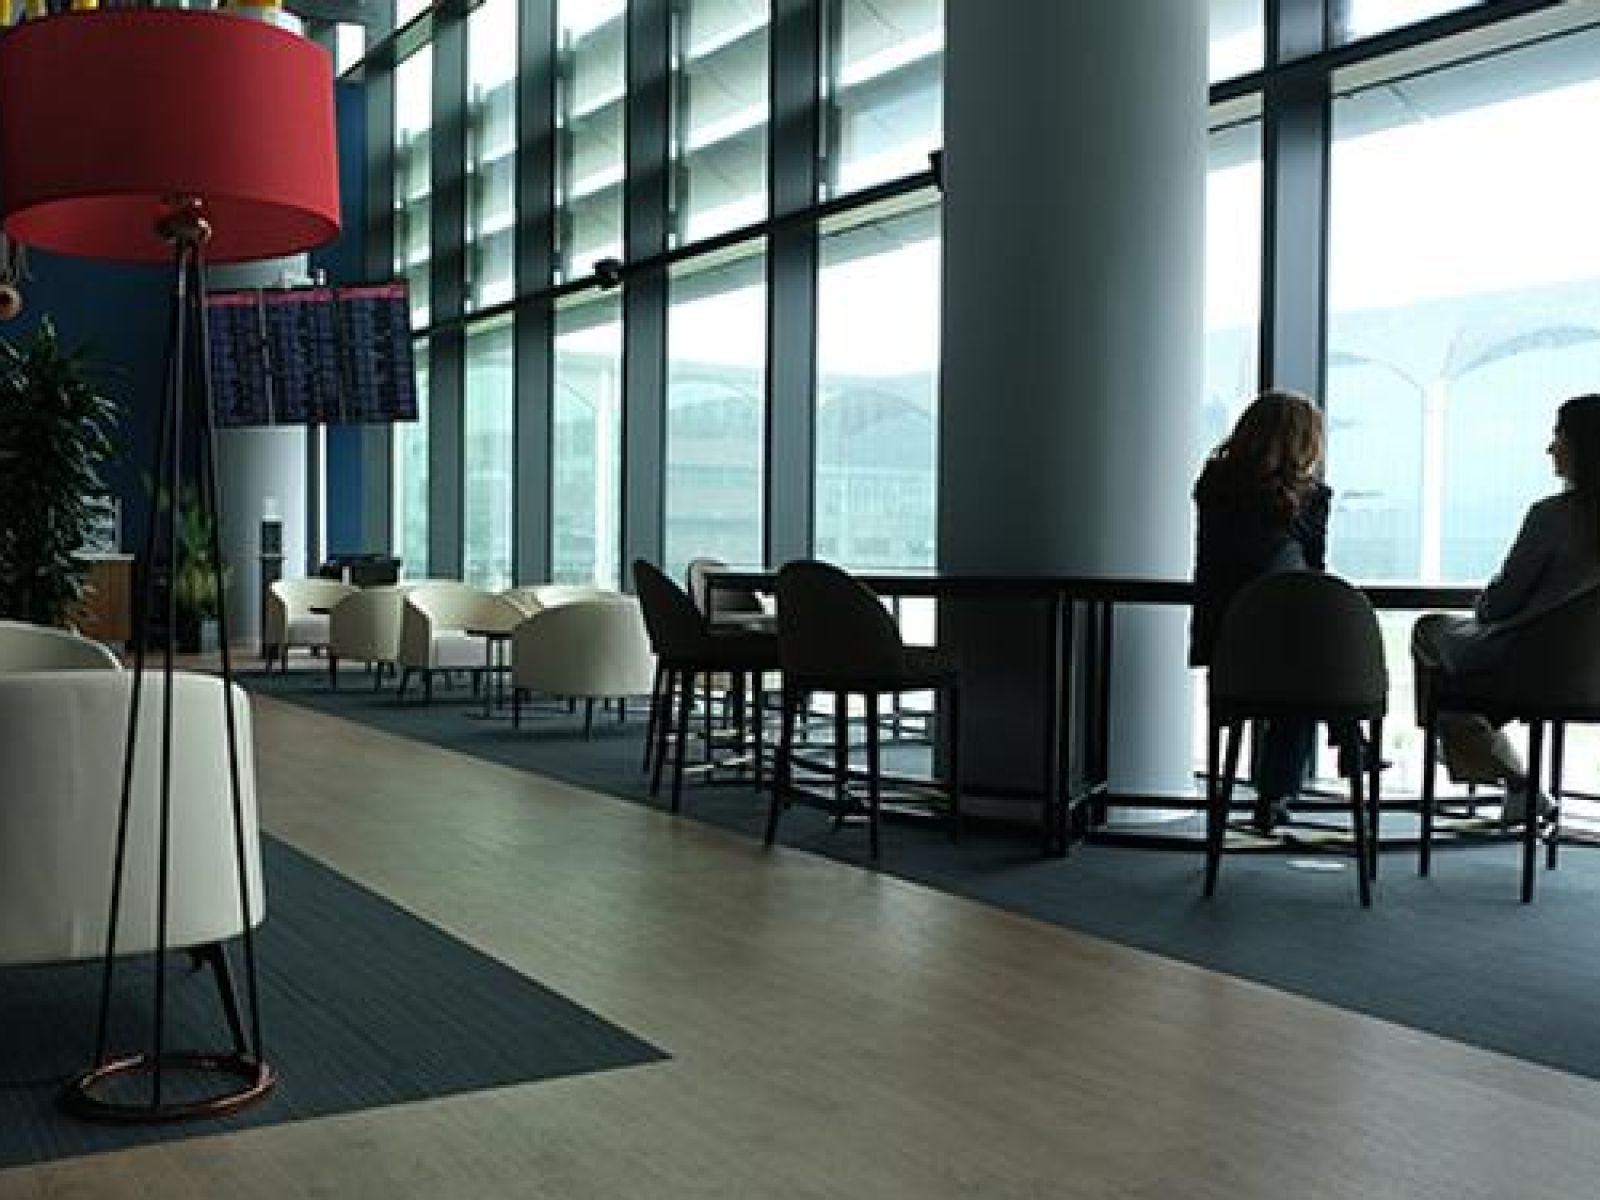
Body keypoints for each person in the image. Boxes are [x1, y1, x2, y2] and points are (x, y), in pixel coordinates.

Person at [1412, 393, 1600, 827]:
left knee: (1430, 635)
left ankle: (1488, 759)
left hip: (1530, 666)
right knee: (1457, 680)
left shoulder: (1552, 516)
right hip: (1590, 678)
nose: (1550, 448)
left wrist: (1487, 603)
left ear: (1583, 447)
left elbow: (1498, 607)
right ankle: (1478, 747)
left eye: (1559, 436)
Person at [1191, 389, 1332, 833]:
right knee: (1313, 674)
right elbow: (1315, 575)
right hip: (1291, 645)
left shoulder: (1215, 488)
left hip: (1227, 642)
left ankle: (1337, 751)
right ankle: (1281, 788)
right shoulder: (1312, 498)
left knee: (1304, 670)